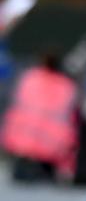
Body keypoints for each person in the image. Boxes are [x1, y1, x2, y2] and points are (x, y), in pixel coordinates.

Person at [0, 50, 80, 182]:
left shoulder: (29, 79)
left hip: (24, 149)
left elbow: (16, 110)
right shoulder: (67, 86)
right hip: (52, 151)